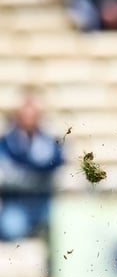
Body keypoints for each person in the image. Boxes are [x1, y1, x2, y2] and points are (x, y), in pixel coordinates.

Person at [0, 88, 64, 241]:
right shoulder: (6, 142)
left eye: (33, 115)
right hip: (16, 203)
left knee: (63, 227)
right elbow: (6, 174)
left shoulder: (48, 141)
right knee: (11, 228)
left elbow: (56, 163)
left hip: (44, 201)